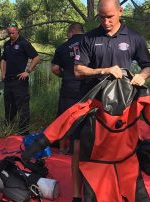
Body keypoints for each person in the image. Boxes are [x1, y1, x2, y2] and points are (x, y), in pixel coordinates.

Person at [73, 0, 150, 201]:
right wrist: (104, 70)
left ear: (120, 11)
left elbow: (147, 66)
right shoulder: (89, 38)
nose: (106, 21)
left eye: (110, 17)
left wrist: (142, 76)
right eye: (101, 17)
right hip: (92, 104)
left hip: (121, 105)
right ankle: (77, 195)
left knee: (122, 151)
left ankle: (121, 192)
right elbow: (78, 70)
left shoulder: (134, 37)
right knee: (79, 148)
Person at [51, 22, 84, 202]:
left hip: (69, 88)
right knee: (86, 120)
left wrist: (65, 75)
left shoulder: (63, 47)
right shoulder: (91, 42)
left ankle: (64, 149)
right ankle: (84, 150)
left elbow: (55, 68)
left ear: (70, 32)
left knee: (66, 119)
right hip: (87, 89)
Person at [1, 21, 40, 135]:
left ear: (17, 31)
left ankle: (23, 131)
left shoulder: (24, 43)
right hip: (8, 80)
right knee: (8, 105)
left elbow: (36, 58)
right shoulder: (7, 44)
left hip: (20, 80)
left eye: (13, 33)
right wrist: (3, 73)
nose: (11, 35)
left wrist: (28, 71)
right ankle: (8, 128)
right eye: (9, 33)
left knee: (22, 106)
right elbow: (3, 59)